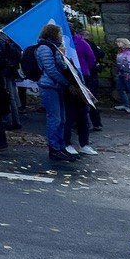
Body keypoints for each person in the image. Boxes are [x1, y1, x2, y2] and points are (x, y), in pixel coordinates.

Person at [35, 24, 75, 164]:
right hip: (49, 85)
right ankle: (54, 148)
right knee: (55, 118)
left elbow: (61, 65)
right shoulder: (45, 48)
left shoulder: (54, 47)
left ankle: (60, 146)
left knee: (61, 118)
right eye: (59, 33)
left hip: (56, 85)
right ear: (53, 34)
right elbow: (51, 69)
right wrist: (65, 82)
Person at [74, 30, 103, 130]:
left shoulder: (76, 42)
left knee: (79, 99)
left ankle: (81, 124)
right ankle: (96, 123)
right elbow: (91, 57)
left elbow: (91, 57)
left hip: (78, 74)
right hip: (85, 72)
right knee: (89, 98)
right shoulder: (82, 42)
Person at [113, 38, 130, 114]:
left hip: (128, 74)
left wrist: (129, 74)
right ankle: (125, 104)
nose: (118, 43)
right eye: (117, 42)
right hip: (121, 74)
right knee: (120, 88)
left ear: (124, 43)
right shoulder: (121, 52)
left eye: (119, 42)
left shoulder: (129, 53)